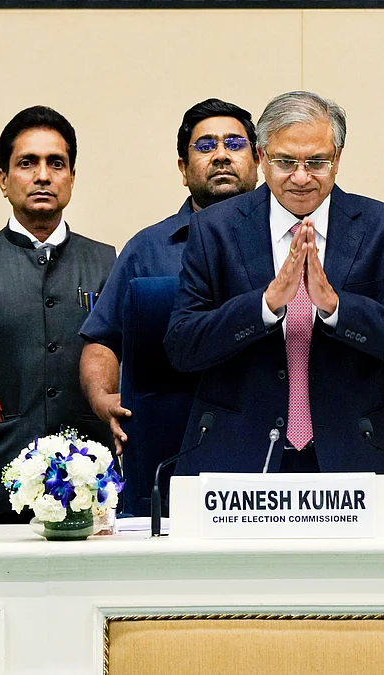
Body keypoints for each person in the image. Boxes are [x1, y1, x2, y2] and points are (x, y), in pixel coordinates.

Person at [163, 91, 384, 506]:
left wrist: (337, 308)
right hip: (240, 462)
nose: (301, 176)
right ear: (260, 156)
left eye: (316, 162)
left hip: (359, 458)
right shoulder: (215, 230)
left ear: (338, 158)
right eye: (285, 162)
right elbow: (182, 346)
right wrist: (265, 305)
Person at [0, 106, 116, 525]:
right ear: (3, 179)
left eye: (56, 163)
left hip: (91, 494)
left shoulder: (108, 262)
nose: (43, 176)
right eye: (27, 163)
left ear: (72, 177)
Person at [79, 98, 258, 455]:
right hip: (170, 439)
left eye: (235, 144)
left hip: (265, 436)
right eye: (205, 146)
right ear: (183, 168)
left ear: (259, 161)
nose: (221, 155)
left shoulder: (287, 241)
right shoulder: (147, 249)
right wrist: (102, 398)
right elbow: (102, 340)